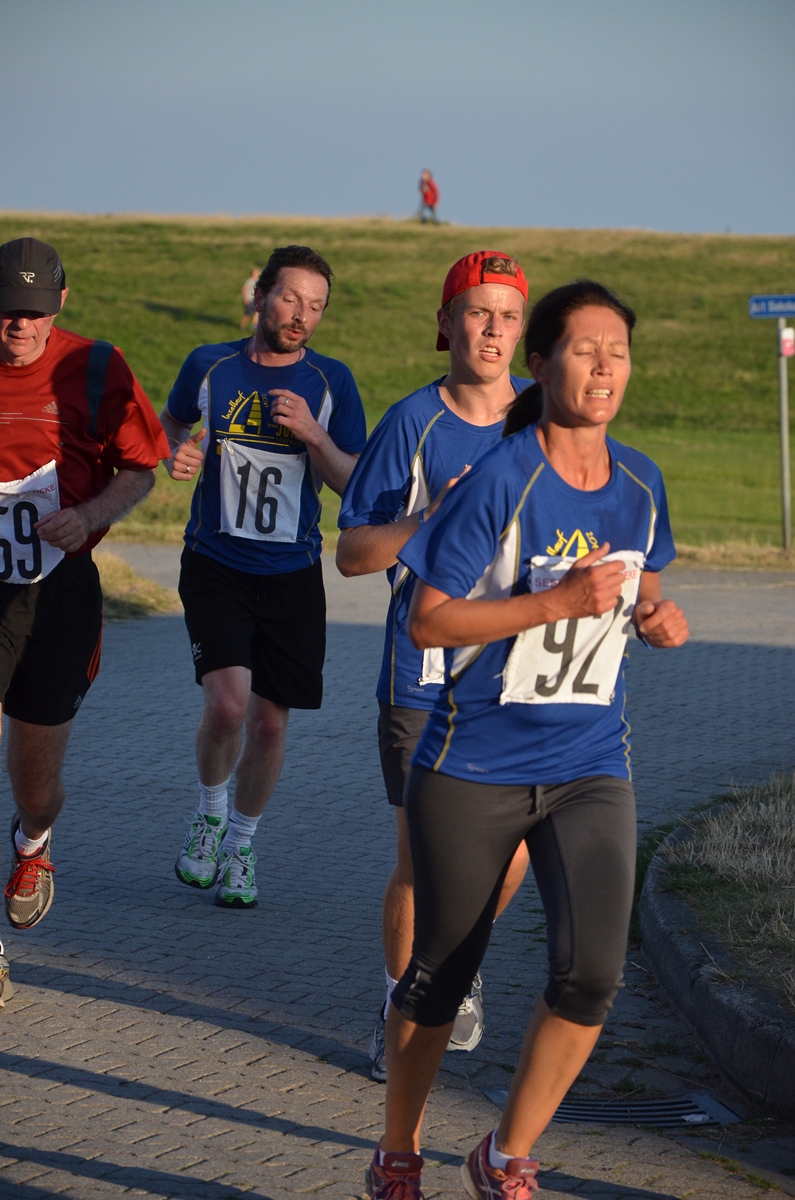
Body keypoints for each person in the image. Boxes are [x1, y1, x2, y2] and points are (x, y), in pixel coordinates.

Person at [365, 280, 689, 1199]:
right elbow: (427, 620)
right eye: (584, 349)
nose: (604, 366)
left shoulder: (640, 483)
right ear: (539, 365)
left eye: (617, 351)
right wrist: (553, 603)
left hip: (589, 763)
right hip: (471, 763)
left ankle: (504, 1154)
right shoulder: (499, 480)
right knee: (439, 974)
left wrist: (658, 620)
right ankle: (398, 1152)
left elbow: (643, 590)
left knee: (591, 975)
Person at [337, 251, 532, 1080]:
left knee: (515, 850)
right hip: (423, 672)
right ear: (446, 323)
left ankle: (454, 960)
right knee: (423, 860)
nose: (492, 330)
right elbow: (351, 554)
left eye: (508, 316)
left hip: (520, 674)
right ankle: (400, 1015)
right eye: (477, 312)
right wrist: (434, 517)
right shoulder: (411, 423)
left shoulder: (545, 417)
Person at [162, 245, 366, 909]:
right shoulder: (210, 364)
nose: (301, 315)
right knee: (227, 704)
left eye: (316, 306)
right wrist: (176, 453)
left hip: (291, 573)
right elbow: (171, 425)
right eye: (290, 298)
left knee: (271, 726)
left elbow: (354, 485)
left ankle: (242, 847)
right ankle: (209, 816)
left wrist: (313, 434)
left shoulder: (331, 383)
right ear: (260, 296)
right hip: (216, 563)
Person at [0, 236, 170, 931]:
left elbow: (141, 469)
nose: (20, 324)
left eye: (35, 311)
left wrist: (88, 516)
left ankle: (32, 840)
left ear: (61, 303)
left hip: (57, 588)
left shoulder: (96, 368)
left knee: (34, 781)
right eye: (8, 309)